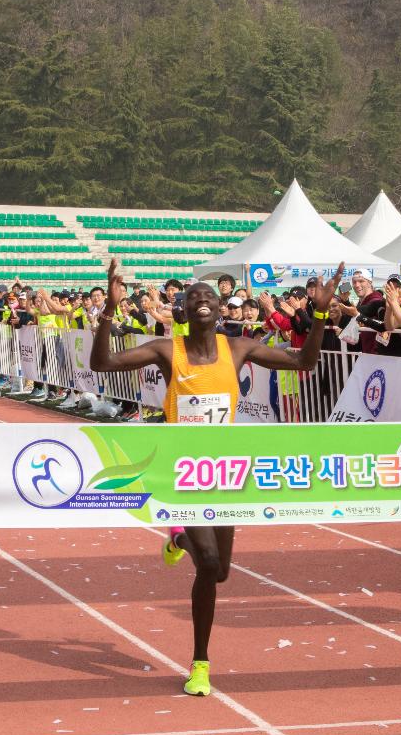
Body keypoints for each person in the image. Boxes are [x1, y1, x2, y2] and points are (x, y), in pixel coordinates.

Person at [90, 259, 344, 697]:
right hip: (182, 471)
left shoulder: (238, 349)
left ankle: (176, 541)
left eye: (209, 296)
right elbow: (102, 363)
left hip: (224, 472)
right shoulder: (167, 349)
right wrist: (109, 312)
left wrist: (319, 315)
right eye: (192, 298)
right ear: (183, 313)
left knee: (220, 572)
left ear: (222, 306)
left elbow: (304, 360)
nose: (201, 300)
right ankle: (200, 664)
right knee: (208, 563)